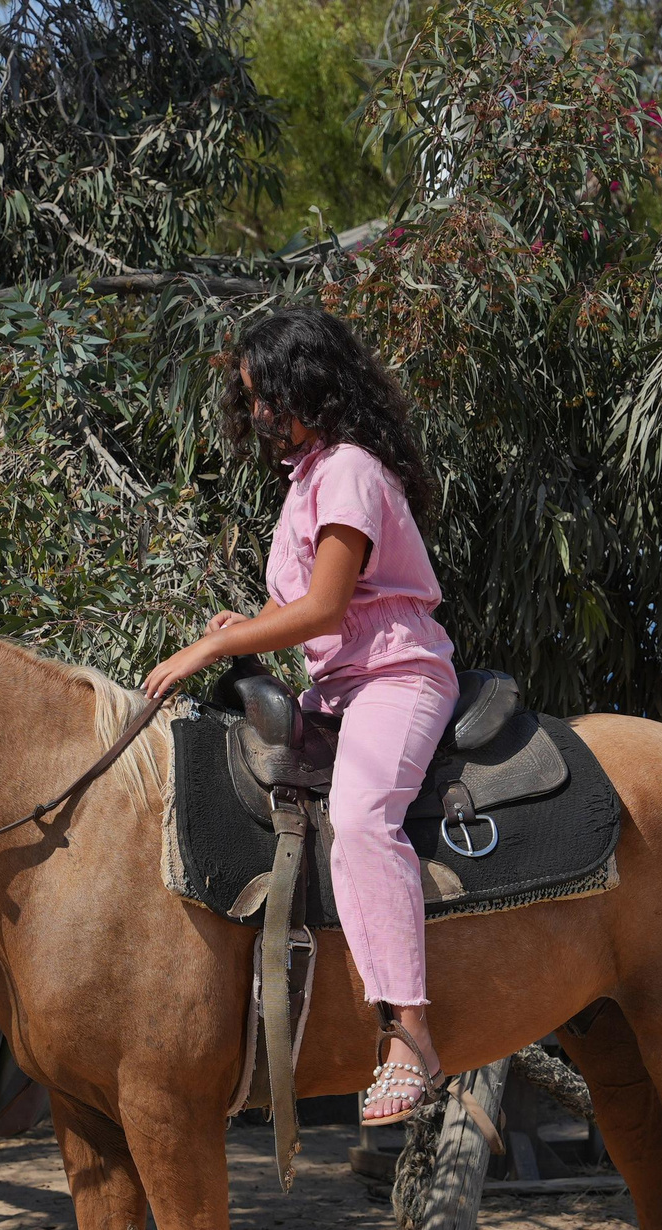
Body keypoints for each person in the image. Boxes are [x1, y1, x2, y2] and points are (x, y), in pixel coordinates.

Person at [143, 305, 459, 1125]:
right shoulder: (310, 481)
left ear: (306, 386)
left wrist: (215, 648)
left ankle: (410, 1033)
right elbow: (313, 610)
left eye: (264, 395)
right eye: (248, 399)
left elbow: (322, 610)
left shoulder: (350, 468)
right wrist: (243, 624)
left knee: (359, 817)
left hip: (398, 678)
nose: (256, 414)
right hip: (341, 689)